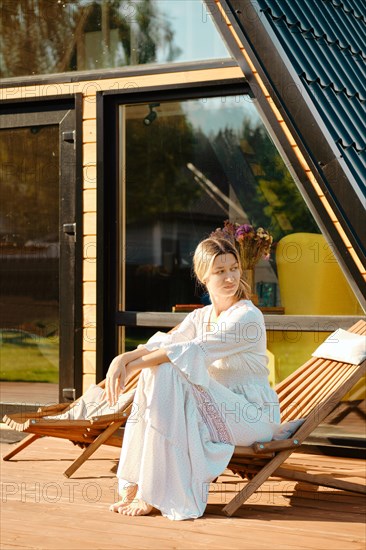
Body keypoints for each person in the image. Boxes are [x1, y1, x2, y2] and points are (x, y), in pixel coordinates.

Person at [106, 236, 284, 520]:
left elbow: (191, 350)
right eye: (220, 271)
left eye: (234, 268)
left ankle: (149, 492)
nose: (230, 277)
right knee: (163, 368)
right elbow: (166, 343)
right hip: (216, 411)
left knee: (167, 366)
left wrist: (130, 364)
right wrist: (123, 358)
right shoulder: (201, 317)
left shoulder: (248, 317)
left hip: (250, 418)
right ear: (204, 276)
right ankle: (144, 487)